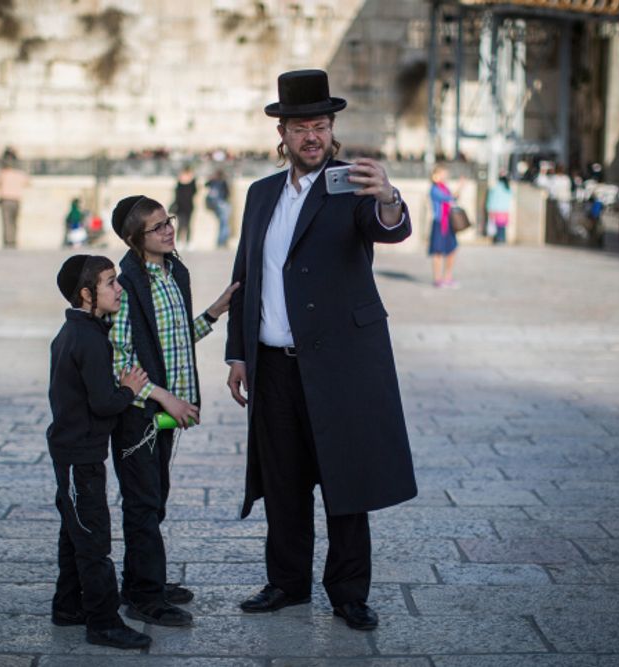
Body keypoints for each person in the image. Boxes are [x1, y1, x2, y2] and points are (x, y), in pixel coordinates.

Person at [225, 69, 417, 632]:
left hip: (340, 365)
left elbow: (388, 229)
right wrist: (239, 353)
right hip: (274, 366)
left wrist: (389, 197)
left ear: (332, 130)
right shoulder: (261, 195)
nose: (313, 136)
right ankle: (286, 582)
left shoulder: (352, 183)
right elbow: (246, 277)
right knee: (283, 484)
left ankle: (349, 593)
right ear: (281, 133)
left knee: (345, 481)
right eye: (301, 126)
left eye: (322, 125)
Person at [108, 195, 238, 628]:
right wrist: (165, 397)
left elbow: (176, 338)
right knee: (142, 503)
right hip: (139, 414)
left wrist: (216, 311)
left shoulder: (172, 272)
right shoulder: (127, 285)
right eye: (158, 227)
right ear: (134, 239)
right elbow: (121, 359)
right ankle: (145, 597)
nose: (169, 230)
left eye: (170, 222)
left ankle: (141, 579)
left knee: (154, 499)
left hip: (163, 413)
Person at [46, 253, 153, 650]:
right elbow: (103, 403)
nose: (119, 288)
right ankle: (103, 622)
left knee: (74, 533)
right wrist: (129, 388)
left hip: (73, 452)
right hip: (80, 457)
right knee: (93, 540)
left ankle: (68, 606)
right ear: (87, 294)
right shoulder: (89, 339)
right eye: (111, 282)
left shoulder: (74, 332)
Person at [429, 164, 459, 287]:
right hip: (439, 222)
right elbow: (449, 198)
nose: (445, 176)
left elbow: (453, 200)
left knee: (452, 250)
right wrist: (460, 187)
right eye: (442, 173)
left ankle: (448, 277)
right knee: (438, 252)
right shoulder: (434, 189)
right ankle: (437, 279)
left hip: (448, 223)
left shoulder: (445, 187)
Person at [0, 150, 28, 248]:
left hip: (6, 199)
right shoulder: (20, 173)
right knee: (14, 222)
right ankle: (13, 240)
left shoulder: (3, 173)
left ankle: (8, 241)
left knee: (7, 222)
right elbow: (28, 182)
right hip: (16, 200)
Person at [205, 169, 232, 248]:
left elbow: (206, 184)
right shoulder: (222, 182)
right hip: (222, 204)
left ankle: (221, 241)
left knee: (223, 224)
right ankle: (222, 242)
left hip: (216, 205)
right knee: (224, 224)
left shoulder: (213, 182)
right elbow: (227, 193)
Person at [173, 165, 196, 246]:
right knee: (181, 224)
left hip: (188, 206)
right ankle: (179, 241)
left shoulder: (192, 182)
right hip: (181, 206)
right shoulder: (180, 182)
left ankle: (188, 242)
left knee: (188, 224)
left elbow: (194, 191)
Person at [486, 173, 511, 245]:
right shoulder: (508, 188)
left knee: (497, 225)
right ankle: (502, 238)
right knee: (502, 226)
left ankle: (499, 239)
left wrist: (489, 209)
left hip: (496, 210)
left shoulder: (496, 188)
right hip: (505, 210)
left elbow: (491, 199)